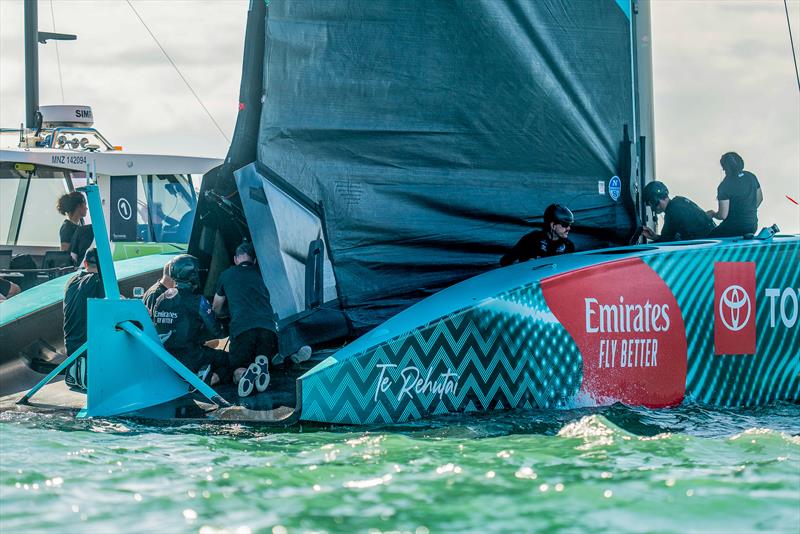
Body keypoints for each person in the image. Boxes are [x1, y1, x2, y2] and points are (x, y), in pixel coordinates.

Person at [152, 254, 238, 389]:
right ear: (192, 275)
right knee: (230, 359)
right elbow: (217, 332)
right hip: (192, 355)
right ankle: (209, 377)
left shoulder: (161, 298)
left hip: (167, 357)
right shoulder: (199, 301)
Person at [212, 241, 284, 397]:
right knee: (264, 357)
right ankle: (262, 364)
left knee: (237, 369)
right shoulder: (262, 273)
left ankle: (245, 374)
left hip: (242, 328)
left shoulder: (226, 274)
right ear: (255, 260)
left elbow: (216, 308)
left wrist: (226, 314)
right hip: (268, 328)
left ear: (236, 259)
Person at [62, 248, 104, 390]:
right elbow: (113, 307)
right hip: (87, 346)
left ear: (85, 263)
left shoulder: (71, 281)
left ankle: (75, 370)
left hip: (70, 345)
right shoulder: (98, 281)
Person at [707, 152, 762, 237]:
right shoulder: (751, 176)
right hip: (752, 226)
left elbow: (723, 215)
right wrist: (747, 211)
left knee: (708, 237)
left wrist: (713, 214)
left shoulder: (724, 186)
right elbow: (760, 198)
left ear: (725, 168)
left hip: (734, 228)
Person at [500, 203, 576, 266]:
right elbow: (505, 261)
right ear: (553, 225)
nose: (569, 228)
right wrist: (525, 267)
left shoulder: (568, 245)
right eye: (565, 225)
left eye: (570, 225)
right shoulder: (531, 240)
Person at [641, 181, 715, 242]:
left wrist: (655, 237)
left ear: (654, 201)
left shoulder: (672, 213)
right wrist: (654, 236)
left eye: (650, 204)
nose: (651, 208)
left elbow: (666, 243)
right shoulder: (679, 201)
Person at [56, 192, 94, 264]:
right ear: (78, 206)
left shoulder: (80, 224)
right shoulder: (67, 228)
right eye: (85, 205)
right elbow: (65, 254)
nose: (87, 208)